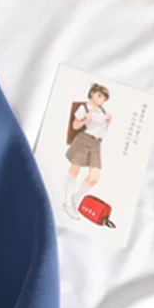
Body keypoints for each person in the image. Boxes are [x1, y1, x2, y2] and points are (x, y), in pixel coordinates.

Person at [64, 83, 111, 219]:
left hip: (96, 143)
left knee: (94, 177)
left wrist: (108, 121)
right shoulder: (84, 108)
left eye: (104, 98)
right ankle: (67, 204)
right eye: (99, 95)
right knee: (74, 170)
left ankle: (74, 199)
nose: (101, 99)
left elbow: (103, 130)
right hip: (84, 140)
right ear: (91, 94)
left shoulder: (102, 111)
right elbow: (75, 125)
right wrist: (86, 119)